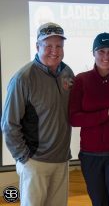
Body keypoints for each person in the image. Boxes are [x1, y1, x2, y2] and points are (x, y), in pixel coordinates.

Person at [1, 22, 74, 206]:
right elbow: (9, 124)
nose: (54, 51)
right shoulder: (23, 78)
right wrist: (24, 158)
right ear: (37, 46)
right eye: (48, 45)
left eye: (59, 46)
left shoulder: (68, 73)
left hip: (61, 160)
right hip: (35, 162)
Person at [68, 32, 109, 206]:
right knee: (99, 203)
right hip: (90, 156)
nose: (106, 56)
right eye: (101, 51)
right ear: (93, 52)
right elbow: (74, 119)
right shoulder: (81, 80)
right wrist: (105, 113)